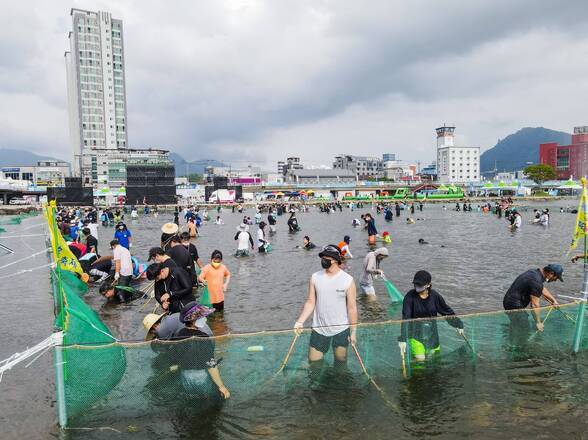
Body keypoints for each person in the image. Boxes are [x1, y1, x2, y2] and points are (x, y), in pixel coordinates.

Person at [294, 245, 357, 363]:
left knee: (340, 364)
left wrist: (353, 332)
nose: (323, 259)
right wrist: (300, 321)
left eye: (326, 257)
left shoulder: (348, 280)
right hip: (319, 330)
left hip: (341, 330)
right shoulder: (315, 277)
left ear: (335, 260)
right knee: (314, 364)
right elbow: (311, 302)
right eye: (322, 257)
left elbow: (352, 308)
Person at [398, 270, 464, 362]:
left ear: (428, 285)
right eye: (416, 284)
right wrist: (403, 339)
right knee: (420, 361)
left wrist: (458, 324)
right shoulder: (409, 297)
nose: (417, 286)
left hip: (432, 335)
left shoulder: (434, 296)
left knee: (433, 360)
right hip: (415, 335)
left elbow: (446, 311)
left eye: (420, 284)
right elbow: (406, 317)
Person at [169, 302, 230, 399]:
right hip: (201, 377)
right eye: (201, 317)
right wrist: (222, 386)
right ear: (193, 320)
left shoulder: (179, 334)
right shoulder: (203, 337)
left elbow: (174, 357)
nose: (205, 319)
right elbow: (211, 365)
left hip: (185, 376)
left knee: (191, 399)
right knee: (206, 400)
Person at [503, 265, 562, 333]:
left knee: (517, 326)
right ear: (551, 273)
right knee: (524, 330)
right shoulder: (536, 281)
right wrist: (538, 322)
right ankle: (518, 342)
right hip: (514, 305)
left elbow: (541, 288)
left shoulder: (535, 273)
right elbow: (535, 305)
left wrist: (553, 300)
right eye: (556, 277)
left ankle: (513, 335)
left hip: (508, 300)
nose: (555, 280)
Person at [143, 311, 212, 341]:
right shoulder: (171, 316)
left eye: (152, 332)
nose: (154, 334)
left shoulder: (161, 331)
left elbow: (168, 349)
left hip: (202, 338)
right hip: (208, 332)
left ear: (154, 326)